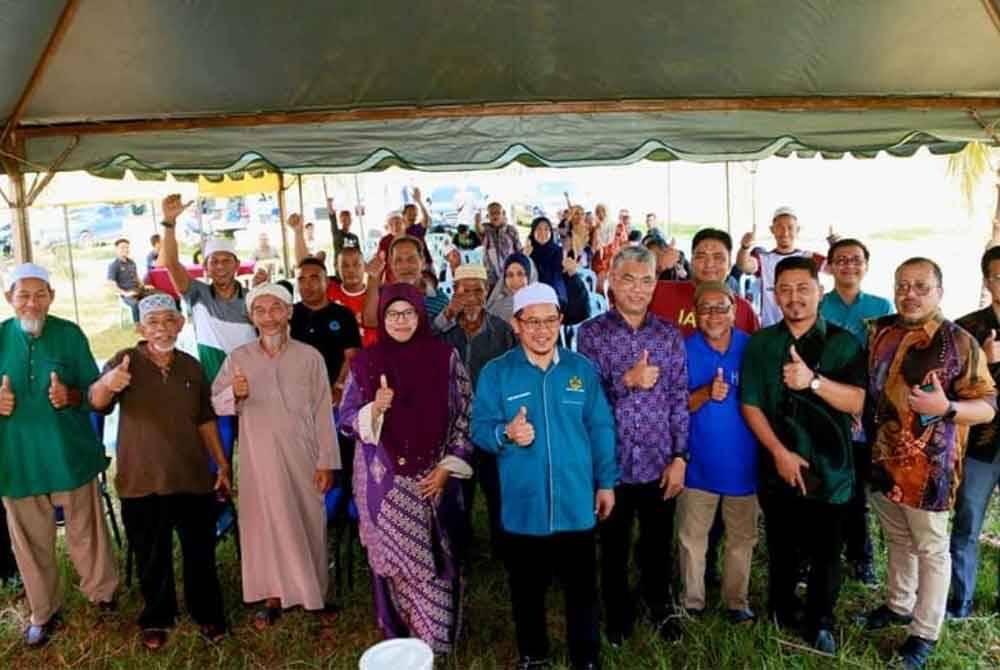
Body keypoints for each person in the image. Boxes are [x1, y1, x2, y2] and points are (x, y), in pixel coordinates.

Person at [472, 282, 618, 670]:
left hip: (576, 502)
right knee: (526, 590)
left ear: (560, 322)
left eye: (549, 320)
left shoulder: (580, 370)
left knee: (583, 589)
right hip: (524, 505)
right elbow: (479, 429)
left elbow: (601, 427)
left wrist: (606, 483)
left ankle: (585, 658)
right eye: (531, 321)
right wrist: (507, 433)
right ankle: (533, 654)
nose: (541, 329)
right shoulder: (496, 374)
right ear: (516, 324)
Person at [860, 258, 996, 669]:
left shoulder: (959, 343)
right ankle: (899, 604)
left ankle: (923, 633)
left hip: (929, 472)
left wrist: (947, 407)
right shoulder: (880, 331)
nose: (910, 293)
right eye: (902, 285)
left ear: (940, 291)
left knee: (932, 550)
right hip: (883, 463)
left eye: (921, 285)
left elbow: (988, 406)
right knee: (898, 540)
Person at [89, 294, 230, 650]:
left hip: (192, 476)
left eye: (169, 320)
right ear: (140, 327)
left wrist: (223, 463)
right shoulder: (125, 360)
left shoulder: (192, 366)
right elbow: (96, 401)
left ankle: (208, 614)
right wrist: (109, 384)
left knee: (200, 553)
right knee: (152, 556)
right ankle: (157, 617)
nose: (162, 328)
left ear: (180, 324)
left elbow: (205, 419)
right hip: (141, 481)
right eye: (153, 322)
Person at [740, 256, 866, 654]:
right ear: (774, 294)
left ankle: (819, 621)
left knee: (827, 551)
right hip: (777, 464)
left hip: (831, 468)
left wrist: (812, 381)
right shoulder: (762, 343)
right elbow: (750, 403)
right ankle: (781, 610)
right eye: (785, 289)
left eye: (803, 288)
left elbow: (858, 402)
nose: (794, 297)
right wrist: (778, 452)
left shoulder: (843, 342)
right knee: (781, 546)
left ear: (820, 291)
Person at [340, 283, 473, 653]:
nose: (401, 320)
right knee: (395, 562)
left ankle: (435, 642)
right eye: (393, 314)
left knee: (435, 556)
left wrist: (448, 466)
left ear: (421, 315)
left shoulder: (445, 357)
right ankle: (401, 641)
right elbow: (346, 419)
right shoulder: (366, 363)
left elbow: (466, 413)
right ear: (382, 318)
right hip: (383, 481)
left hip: (435, 478)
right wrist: (375, 409)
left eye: (409, 313)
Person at [0, 263, 119, 647]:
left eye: (40, 295)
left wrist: (71, 396)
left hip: (69, 453)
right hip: (17, 460)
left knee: (88, 534)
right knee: (30, 542)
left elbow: (95, 394)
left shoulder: (69, 335)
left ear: (52, 297)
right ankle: (43, 610)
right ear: (9, 299)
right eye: (23, 295)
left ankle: (102, 595)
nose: (32, 303)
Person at [577, 246, 689, 644]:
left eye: (646, 280)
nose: (638, 289)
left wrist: (680, 456)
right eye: (628, 279)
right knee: (613, 547)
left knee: (658, 545)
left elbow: (678, 398)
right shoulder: (590, 334)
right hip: (613, 465)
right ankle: (618, 617)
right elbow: (586, 404)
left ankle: (661, 608)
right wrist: (627, 381)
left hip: (660, 462)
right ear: (610, 280)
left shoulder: (668, 335)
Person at [211, 284, 339, 627]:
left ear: (289, 312)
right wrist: (233, 395)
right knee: (264, 524)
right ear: (251, 317)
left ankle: (314, 594)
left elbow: (324, 412)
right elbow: (215, 401)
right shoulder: (239, 357)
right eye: (260, 311)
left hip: (304, 454)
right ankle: (272, 597)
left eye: (276, 309)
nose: (269, 317)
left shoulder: (310, 357)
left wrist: (327, 460)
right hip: (259, 457)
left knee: (307, 518)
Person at [678, 281, 759, 622]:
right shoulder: (681, 349)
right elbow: (671, 406)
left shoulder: (753, 348)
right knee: (692, 539)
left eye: (721, 307)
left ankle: (736, 602)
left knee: (742, 539)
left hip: (745, 466)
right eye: (706, 308)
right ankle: (691, 602)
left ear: (734, 311)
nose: (713, 315)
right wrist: (705, 393)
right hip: (698, 465)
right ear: (695, 314)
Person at [818, 238, 893, 586]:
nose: (848, 266)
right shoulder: (819, 306)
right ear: (830, 266)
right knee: (829, 483)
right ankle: (817, 554)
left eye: (856, 260)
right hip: (828, 405)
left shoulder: (881, 306)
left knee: (861, 487)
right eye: (841, 260)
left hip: (869, 409)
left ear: (866, 265)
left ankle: (862, 557)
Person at [434, 264, 517, 557]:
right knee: (458, 490)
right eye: (463, 290)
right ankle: (459, 547)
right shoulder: (444, 330)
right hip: (453, 423)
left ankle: (503, 547)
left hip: (492, 420)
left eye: (477, 290)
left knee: (496, 487)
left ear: (487, 292)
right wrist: (446, 315)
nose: (471, 297)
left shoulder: (501, 330)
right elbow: (420, 345)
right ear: (453, 293)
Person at [949, 246, 1000, 619]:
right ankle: (960, 599)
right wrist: (986, 362)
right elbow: (954, 391)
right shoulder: (966, 329)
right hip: (980, 445)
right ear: (987, 280)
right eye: (998, 276)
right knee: (967, 519)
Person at [159, 194, 257, 383]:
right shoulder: (197, 293)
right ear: (206, 268)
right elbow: (170, 263)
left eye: (226, 261)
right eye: (214, 262)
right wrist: (169, 223)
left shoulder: (252, 298)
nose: (220, 267)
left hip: (251, 381)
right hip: (213, 383)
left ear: (237, 265)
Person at [735, 206, 836, 327]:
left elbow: (834, 270)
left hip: (804, 329)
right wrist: (745, 247)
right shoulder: (763, 258)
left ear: (797, 230)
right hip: (771, 331)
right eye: (780, 227)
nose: (785, 232)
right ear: (772, 230)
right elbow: (743, 265)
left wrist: (836, 247)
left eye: (790, 227)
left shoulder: (808, 257)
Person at [650, 229, 759, 337]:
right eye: (701, 257)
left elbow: (756, 351)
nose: (709, 264)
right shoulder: (659, 291)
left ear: (730, 264)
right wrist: (656, 269)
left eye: (718, 257)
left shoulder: (743, 310)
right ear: (691, 261)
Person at [289, 257, 362, 407]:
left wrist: (339, 387)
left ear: (327, 281)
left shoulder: (343, 314)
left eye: (314, 278)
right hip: (296, 396)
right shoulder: (288, 314)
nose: (307, 285)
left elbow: (351, 355)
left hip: (334, 397)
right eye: (301, 279)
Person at [481, 201, 523, 289]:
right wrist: (477, 219)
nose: (495, 216)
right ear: (488, 216)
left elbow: (519, 251)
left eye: (497, 213)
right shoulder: (486, 230)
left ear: (503, 213)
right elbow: (479, 229)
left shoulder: (511, 230)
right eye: (492, 213)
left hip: (510, 274)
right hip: (491, 278)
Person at [485, 253, 537, 322]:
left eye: (520, 274)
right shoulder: (497, 308)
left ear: (530, 276)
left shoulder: (543, 306)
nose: (515, 280)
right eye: (510, 275)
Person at [107, 237, 147, 322]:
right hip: (127, 294)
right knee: (136, 304)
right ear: (116, 250)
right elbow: (111, 284)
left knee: (155, 296)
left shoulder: (131, 262)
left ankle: (151, 322)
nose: (125, 249)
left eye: (127, 247)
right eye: (122, 247)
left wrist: (144, 286)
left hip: (138, 290)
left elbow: (136, 277)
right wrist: (125, 293)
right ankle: (138, 326)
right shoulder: (114, 265)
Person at [328, 198, 360, 266]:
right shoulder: (337, 233)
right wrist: (330, 205)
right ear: (340, 221)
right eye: (343, 220)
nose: (345, 222)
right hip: (340, 265)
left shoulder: (355, 237)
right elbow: (332, 218)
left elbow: (359, 253)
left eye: (348, 219)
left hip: (353, 266)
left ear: (351, 220)